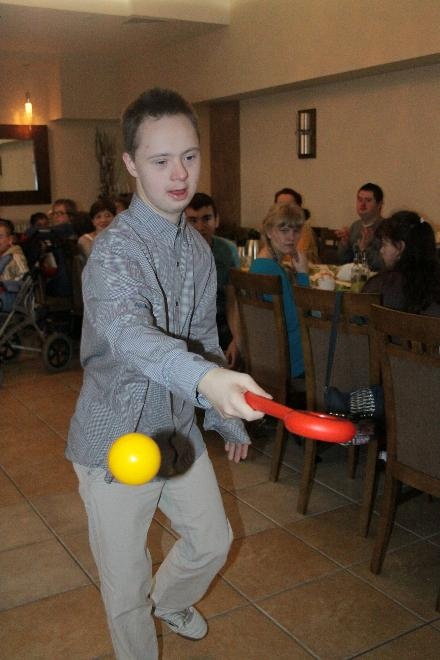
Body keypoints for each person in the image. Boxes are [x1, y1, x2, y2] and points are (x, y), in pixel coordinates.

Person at [66, 87, 268, 660]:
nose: (180, 174)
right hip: (115, 440)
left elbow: (203, 340)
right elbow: (131, 337)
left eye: (189, 156)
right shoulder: (113, 253)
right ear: (131, 164)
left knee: (212, 542)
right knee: (126, 586)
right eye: (160, 160)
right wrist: (208, 383)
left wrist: (221, 416)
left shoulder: (199, 251)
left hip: (176, 432)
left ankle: (172, 599)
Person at [250, 202, 309, 377]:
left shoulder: (260, 264)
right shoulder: (271, 270)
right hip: (291, 360)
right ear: (269, 231)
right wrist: (303, 275)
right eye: (284, 230)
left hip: (267, 356)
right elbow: (299, 318)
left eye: (296, 231)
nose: (291, 237)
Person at [185, 192, 241, 367]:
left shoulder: (227, 250)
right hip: (189, 327)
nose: (200, 226)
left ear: (216, 220)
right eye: (193, 220)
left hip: (222, 323)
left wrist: (237, 339)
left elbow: (232, 301)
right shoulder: (177, 252)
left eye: (206, 219)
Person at [362, 210, 440, 316]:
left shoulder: (380, 286)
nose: (381, 250)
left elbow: (359, 318)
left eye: (384, 244)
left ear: (400, 247)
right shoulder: (434, 285)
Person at [336, 182, 385, 270]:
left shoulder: (387, 228)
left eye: (368, 200)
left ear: (379, 204)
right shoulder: (355, 226)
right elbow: (343, 262)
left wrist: (365, 248)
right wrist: (345, 244)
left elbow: (383, 265)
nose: (362, 204)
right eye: (359, 200)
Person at [274, 187, 318, 263]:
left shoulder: (304, 229)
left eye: (288, 206)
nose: (283, 210)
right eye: (280, 205)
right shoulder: (271, 227)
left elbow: (297, 257)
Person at [0, 219, 29, 311]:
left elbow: (24, 283)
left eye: (0, 236)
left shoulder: (16, 257)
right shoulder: (3, 254)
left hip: (9, 298)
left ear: (10, 240)